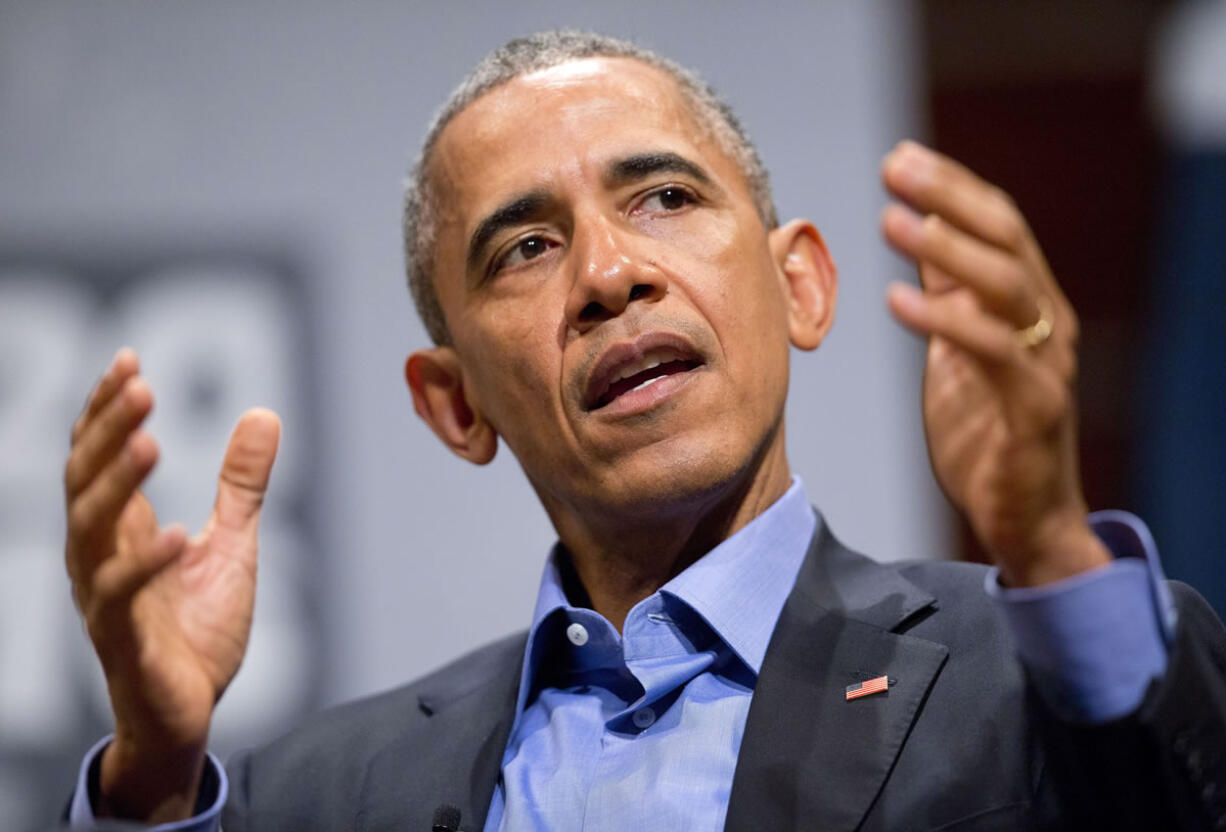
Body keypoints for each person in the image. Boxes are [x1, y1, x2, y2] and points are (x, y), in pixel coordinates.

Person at [62, 31, 1226, 831]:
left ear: (801, 287)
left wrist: (1050, 550)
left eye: (664, 197)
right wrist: (155, 779)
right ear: (454, 402)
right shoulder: (310, 794)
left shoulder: (1035, 675)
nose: (609, 274)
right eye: (525, 246)